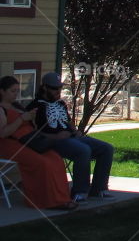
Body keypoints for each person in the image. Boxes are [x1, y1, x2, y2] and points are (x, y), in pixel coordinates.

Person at [27, 72, 114, 202]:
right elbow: (32, 132)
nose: (58, 91)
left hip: (72, 137)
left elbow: (67, 122)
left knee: (107, 148)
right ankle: (79, 192)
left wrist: (76, 131)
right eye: (54, 88)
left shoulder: (61, 103)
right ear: (44, 88)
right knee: (83, 150)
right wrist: (55, 136)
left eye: (60, 88)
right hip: (53, 141)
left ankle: (99, 188)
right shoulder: (35, 107)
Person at [0, 75, 76, 211]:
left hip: (29, 140)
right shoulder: (1, 109)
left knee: (55, 158)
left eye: (17, 91)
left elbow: (28, 125)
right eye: (12, 91)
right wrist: (21, 119)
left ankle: (62, 198)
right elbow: (3, 133)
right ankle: (45, 201)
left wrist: (31, 119)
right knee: (43, 162)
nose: (16, 94)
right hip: (10, 145)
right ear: (2, 91)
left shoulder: (17, 106)